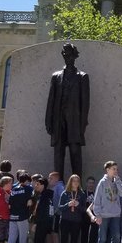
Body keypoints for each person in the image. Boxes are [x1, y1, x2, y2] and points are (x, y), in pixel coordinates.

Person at [45, 42, 90, 180]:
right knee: (58, 152)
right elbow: (51, 101)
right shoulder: (56, 76)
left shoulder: (82, 76)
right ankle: (58, 184)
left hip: (74, 122)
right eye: (65, 55)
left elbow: (85, 104)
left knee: (75, 152)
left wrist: (82, 125)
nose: (68, 57)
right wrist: (48, 121)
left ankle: (77, 184)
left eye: (70, 55)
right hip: (58, 121)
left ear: (75, 56)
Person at [91, 161, 122, 243]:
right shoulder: (102, 182)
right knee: (103, 239)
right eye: (113, 169)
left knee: (116, 237)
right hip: (104, 215)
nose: (115, 171)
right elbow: (97, 200)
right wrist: (98, 215)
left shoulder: (117, 181)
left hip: (115, 214)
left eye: (116, 169)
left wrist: (118, 180)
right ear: (108, 170)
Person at [6, 170, 34, 243]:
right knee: (22, 238)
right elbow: (29, 203)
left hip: (12, 217)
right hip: (23, 217)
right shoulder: (28, 189)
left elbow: (9, 204)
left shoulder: (13, 189)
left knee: (12, 238)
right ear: (26, 180)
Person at [56, 174, 85, 243]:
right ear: (70, 182)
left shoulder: (82, 194)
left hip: (76, 221)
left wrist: (78, 205)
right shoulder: (65, 193)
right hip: (65, 220)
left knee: (74, 241)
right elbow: (59, 208)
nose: (76, 183)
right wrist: (67, 204)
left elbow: (84, 209)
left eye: (77, 181)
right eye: (74, 181)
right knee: (63, 240)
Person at [30, 173, 54, 243]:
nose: (36, 186)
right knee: (38, 240)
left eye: (38, 184)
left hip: (42, 222)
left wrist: (36, 223)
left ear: (43, 185)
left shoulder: (45, 196)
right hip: (44, 222)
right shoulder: (42, 195)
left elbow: (43, 211)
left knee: (38, 240)